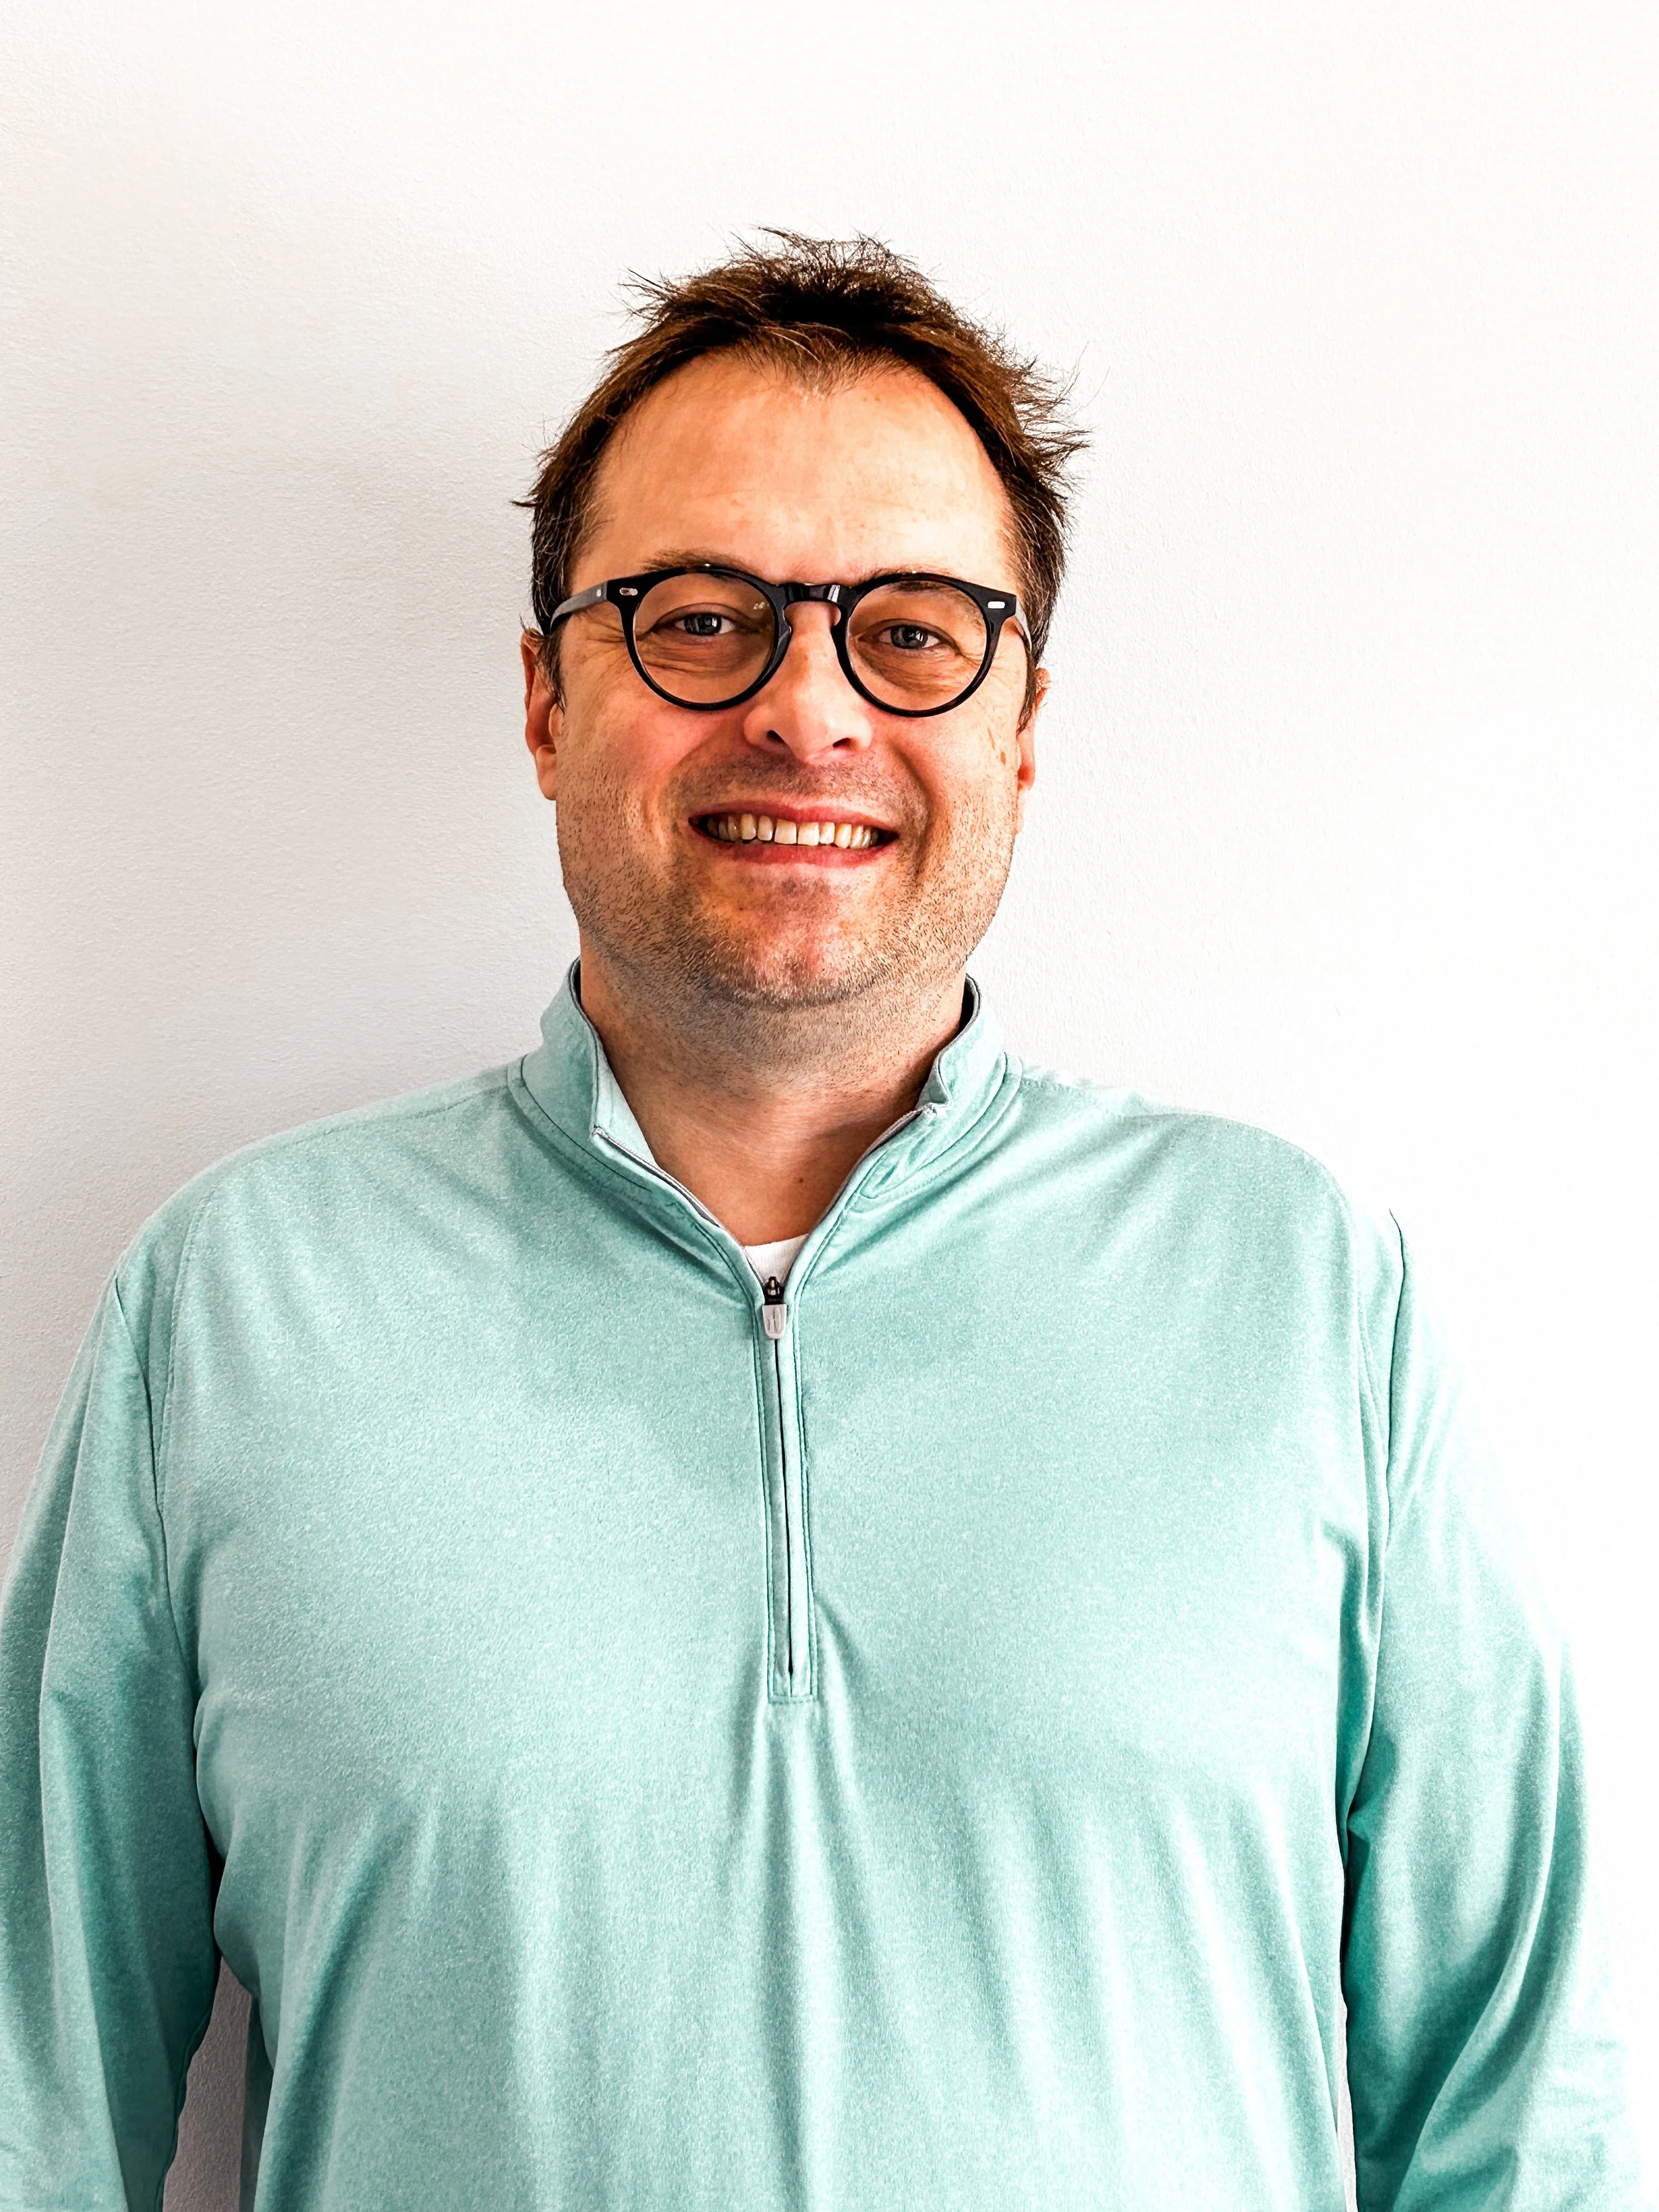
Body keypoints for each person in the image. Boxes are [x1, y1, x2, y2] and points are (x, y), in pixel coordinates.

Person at [0, 232, 1646, 2212]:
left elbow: (1518, 2113)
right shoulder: (235, 1304)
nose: (807, 709)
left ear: (1020, 721)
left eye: (914, 631)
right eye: (697, 620)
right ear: (543, 700)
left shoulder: (1298, 1293)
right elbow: (33, 2097)